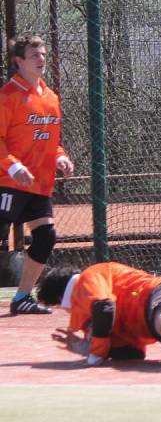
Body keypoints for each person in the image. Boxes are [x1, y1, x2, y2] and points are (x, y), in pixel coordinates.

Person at [1, 34, 74, 315]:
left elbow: (52, 141)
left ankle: (21, 298)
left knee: (45, 238)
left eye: (43, 54)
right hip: (7, 180)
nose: (41, 59)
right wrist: (13, 166)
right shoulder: (7, 97)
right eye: (34, 55)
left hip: (38, 184)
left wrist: (61, 157)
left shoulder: (51, 98)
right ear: (18, 61)